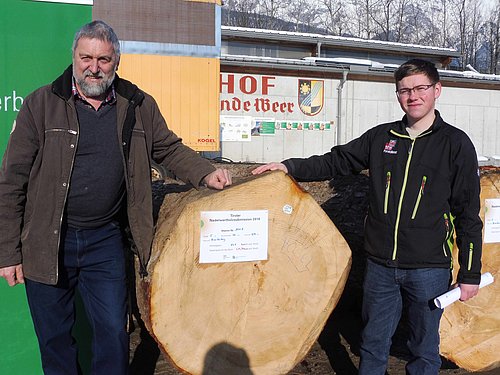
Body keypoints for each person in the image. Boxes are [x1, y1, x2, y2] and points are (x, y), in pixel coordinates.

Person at [0, 20, 231, 374]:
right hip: (47, 241)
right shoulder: (40, 105)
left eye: (104, 59)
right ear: (74, 58)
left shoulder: (137, 104)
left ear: (116, 62)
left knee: (113, 334)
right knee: (55, 340)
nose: (94, 67)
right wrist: (7, 252)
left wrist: (204, 171)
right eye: (86, 57)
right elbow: (11, 182)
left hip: (103, 241)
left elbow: (167, 148)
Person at [252, 59, 482, 374]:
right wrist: (289, 167)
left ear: (437, 90)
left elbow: (468, 213)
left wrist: (470, 273)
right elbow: (336, 161)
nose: (412, 96)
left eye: (420, 88)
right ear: (398, 95)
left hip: (429, 269)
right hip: (380, 266)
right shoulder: (381, 138)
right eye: (404, 90)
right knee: (373, 344)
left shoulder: (455, 144)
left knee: (424, 348)